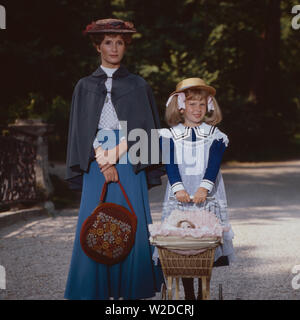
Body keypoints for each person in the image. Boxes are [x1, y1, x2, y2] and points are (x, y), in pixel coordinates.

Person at [64, 18, 164, 300]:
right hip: (95, 161)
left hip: (129, 157)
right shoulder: (84, 86)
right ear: (98, 46)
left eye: (120, 42)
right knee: (94, 222)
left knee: (130, 219)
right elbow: (81, 130)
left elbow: (145, 130)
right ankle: (93, 290)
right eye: (108, 42)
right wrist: (102, 159)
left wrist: (115, 154)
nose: (114, 48)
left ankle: (132, 291)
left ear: (126, 46)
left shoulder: (138, 84)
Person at [159, 78, 235, 300]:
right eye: (192, 104)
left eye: (202, 105)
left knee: (205, 241)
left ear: (209, 106)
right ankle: (189, 293)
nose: (197, 109)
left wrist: (204, 188)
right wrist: (178, 188)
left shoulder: (215, 135)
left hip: (206, 195)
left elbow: (213, 164)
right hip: (180, 196)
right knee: (182, 241)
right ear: (181, 107)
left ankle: (204, 288)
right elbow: (170, 163)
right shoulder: (171, 135)